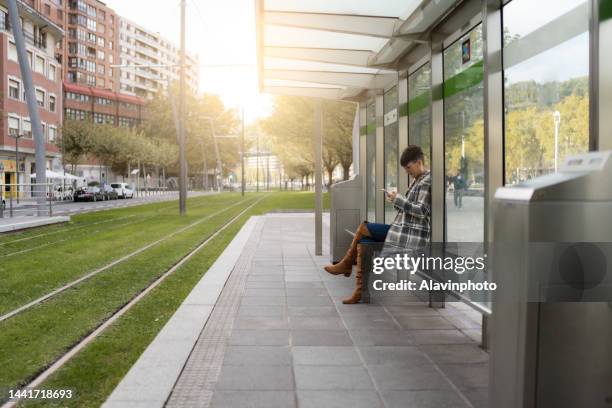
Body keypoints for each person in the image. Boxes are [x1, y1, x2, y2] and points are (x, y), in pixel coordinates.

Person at [324, 145, 432, 304]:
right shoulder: (418, 180)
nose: (407, 171)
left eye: (409, 167)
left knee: (364, 227)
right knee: (364, 242)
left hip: (410, 235)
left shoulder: (427, 181)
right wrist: (396, 200)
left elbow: (421, 211)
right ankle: (360, 292)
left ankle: (346, 264)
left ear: (419, 162)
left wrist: (398, 200)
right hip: (403, 230)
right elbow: (408, 209)